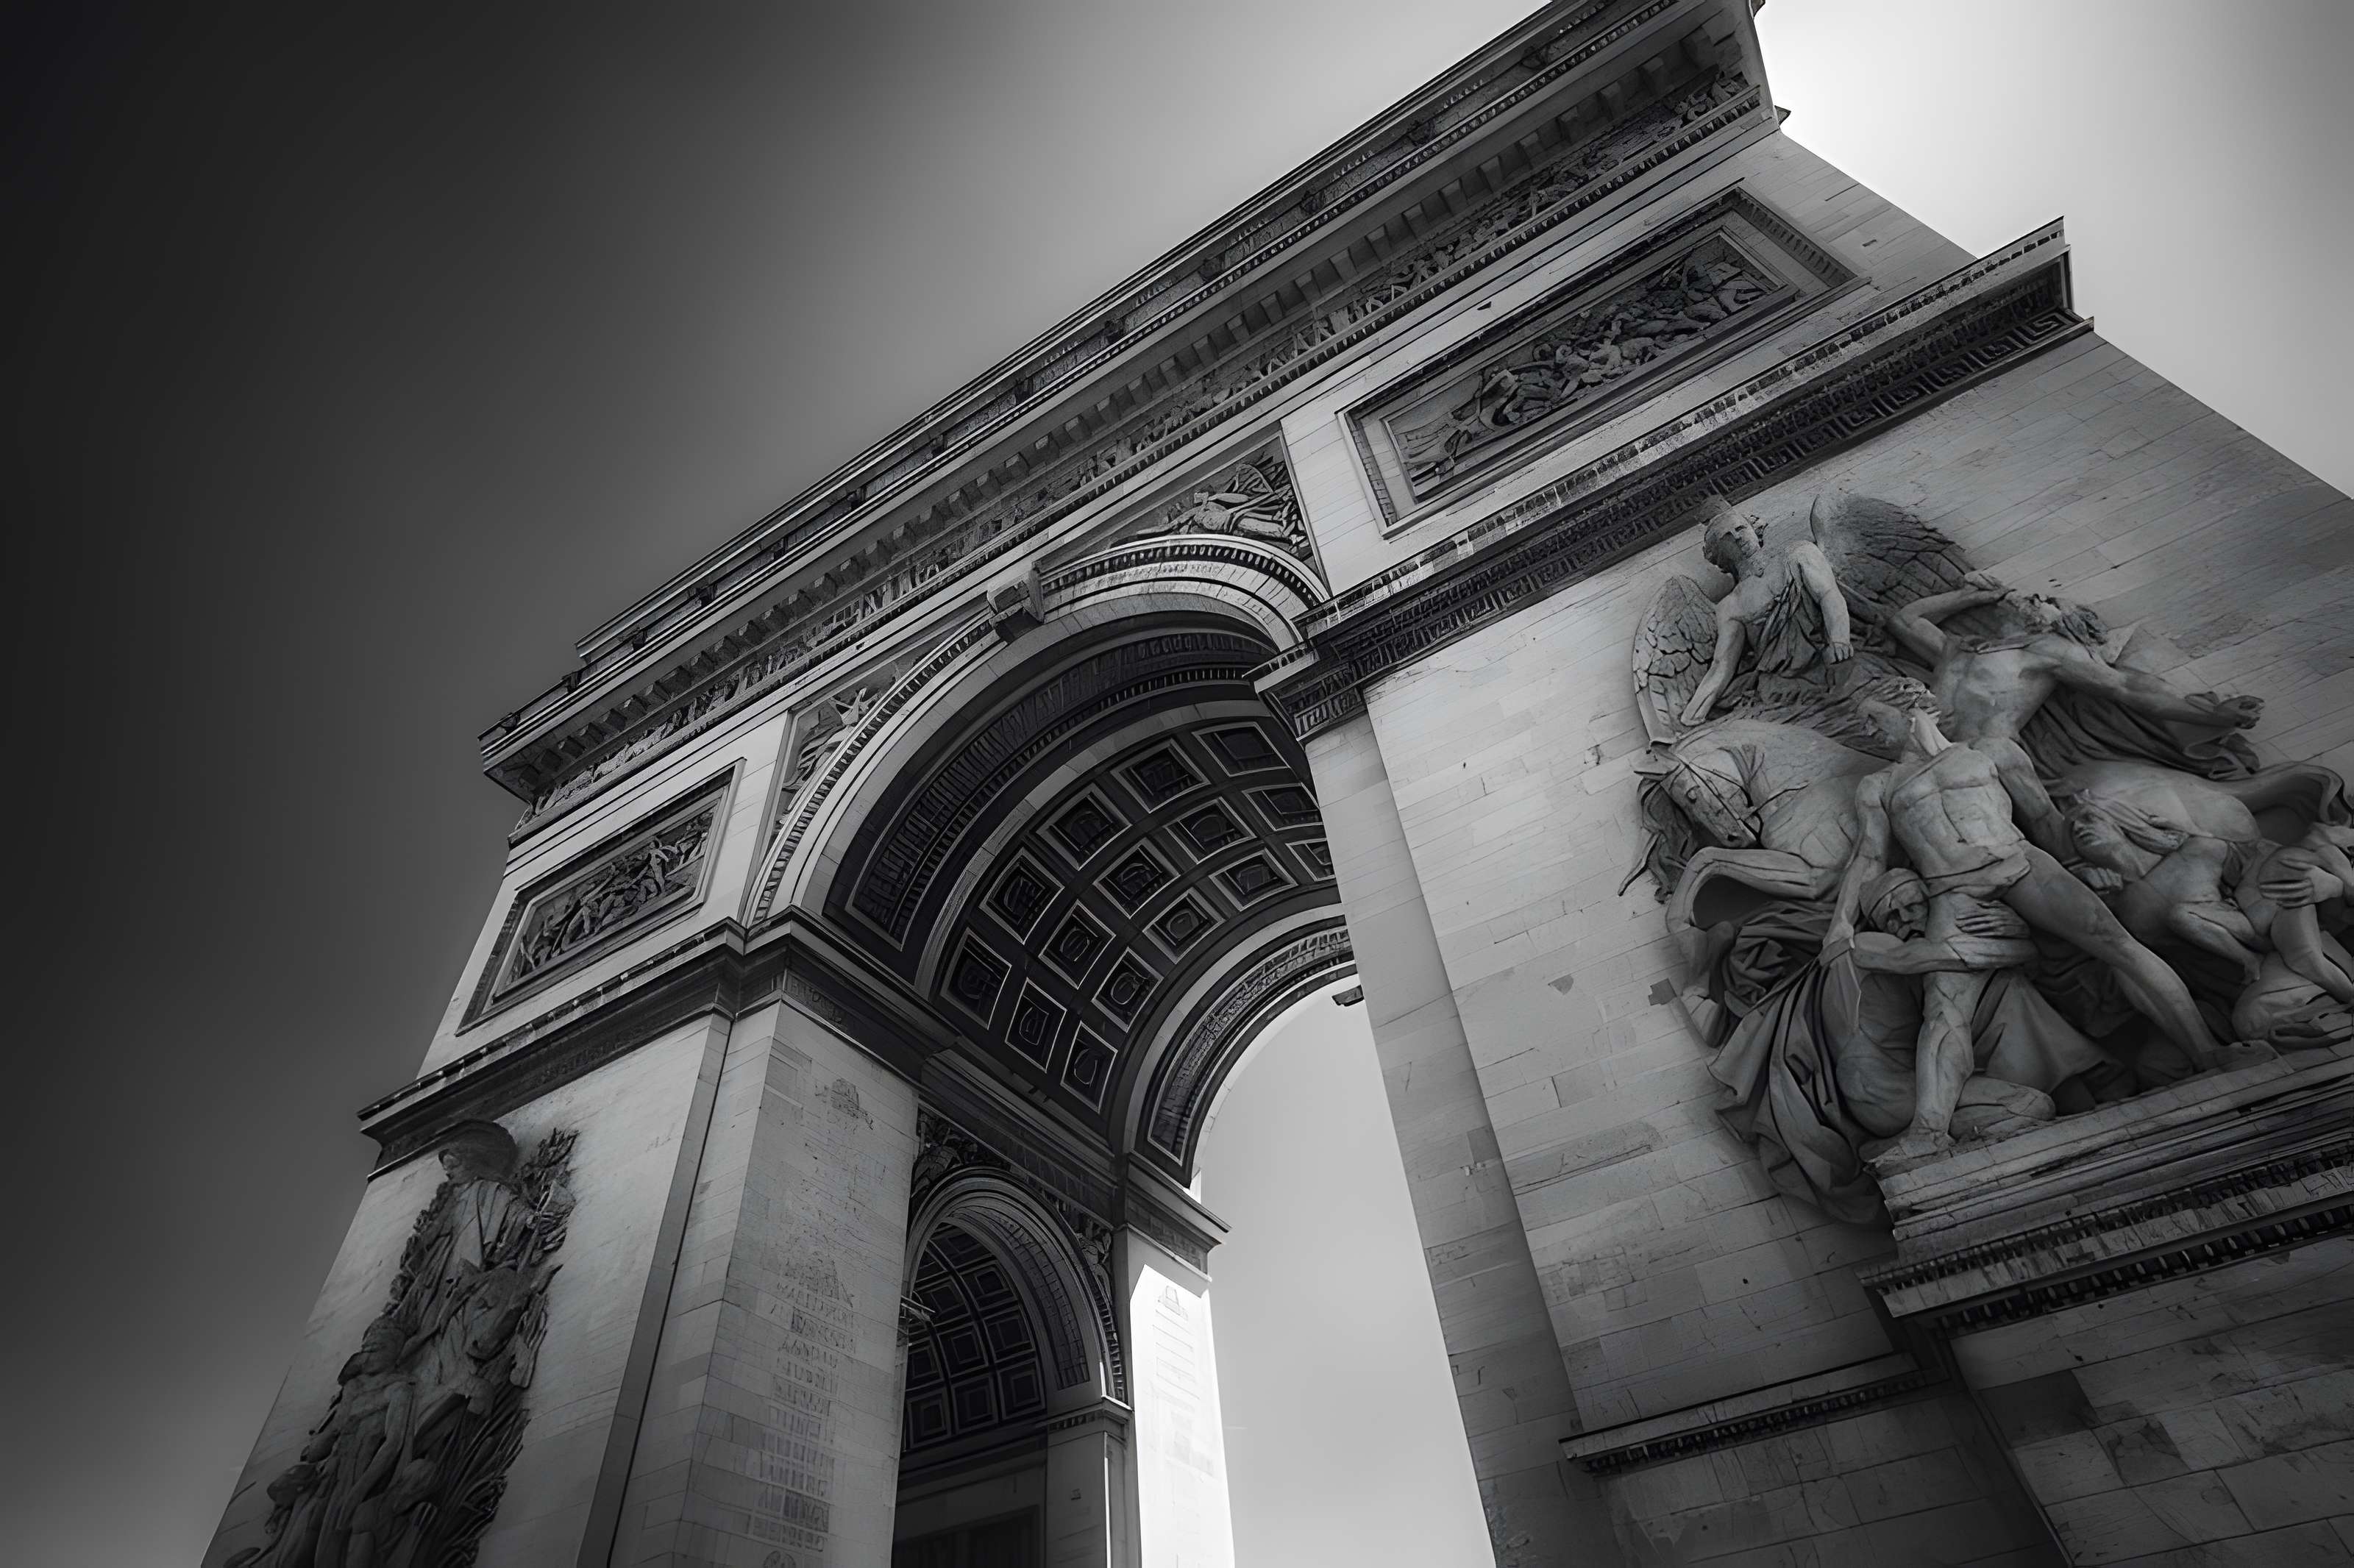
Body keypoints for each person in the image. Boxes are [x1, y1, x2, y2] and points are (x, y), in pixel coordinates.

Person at [1823, 682, 2237, 1161]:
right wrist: (1841, 923)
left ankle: (2210, 1054)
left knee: (2117, 944)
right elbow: (1868, 857)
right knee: (1944, 1011)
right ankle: (1928, 1134)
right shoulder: (1879, 787)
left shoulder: (1991, 752)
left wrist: (2082, 869)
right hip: (1953, 892)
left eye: (1874, 718)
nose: (1867, 731)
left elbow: (2042, 816)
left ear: (1912, 705)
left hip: (2023, 866)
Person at [1877, 574, 2262, 859]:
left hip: (1989, 752)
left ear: (2055, 620)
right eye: (2035, 597)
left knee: (2043, 826)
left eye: (2046, 601)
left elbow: (2126, 688)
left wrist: (2212, 716)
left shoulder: (2050, 652)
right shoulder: (1960, 649)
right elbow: (1905, 620)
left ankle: (2078, 870)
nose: (2033, 599)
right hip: (1926, 749)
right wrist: (1970, 596)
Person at [1680, 497, 1856, 724]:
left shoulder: (1798, 554)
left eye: (1740, 528)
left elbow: (1829, 595)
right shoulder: (1731, 605)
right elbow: (1721, 665)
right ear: (1717, 554)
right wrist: (1692, 714)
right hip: (1783, 685)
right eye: (1726, 537)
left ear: (1755, 529)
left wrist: (1840, 639)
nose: (1737, 537)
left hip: (1829, 658)